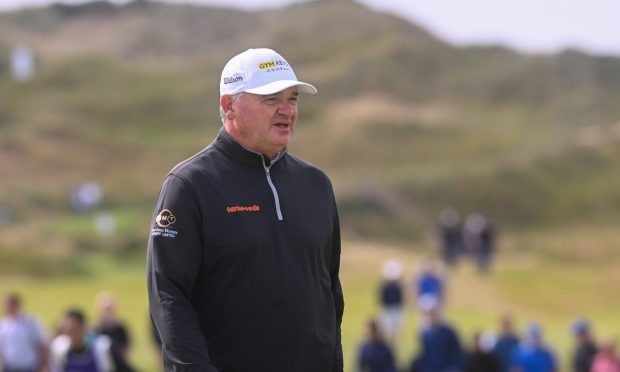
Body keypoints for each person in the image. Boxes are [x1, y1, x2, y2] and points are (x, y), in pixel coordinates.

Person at [147, 47, 344, 371]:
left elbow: (330, 295)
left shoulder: (316, 185)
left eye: (292, 98)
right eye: (271, 99)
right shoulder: (189, 186)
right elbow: (169, 298)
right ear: (229, 106)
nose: (287, 110)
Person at [413, 294, 464, 372]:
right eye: (427, 314)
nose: (430, 316)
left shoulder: (449, 332)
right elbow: (422, 357)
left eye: (433, 313)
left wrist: (452, 367)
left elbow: (458, 355)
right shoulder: (423, 334)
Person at [0, 292, 49, 372]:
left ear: (17, 305)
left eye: (9, 305)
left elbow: (41, 344)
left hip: (28, 366)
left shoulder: (31, 322)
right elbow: (2, 347)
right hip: (9, 367)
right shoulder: (3, 324)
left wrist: (43, 363)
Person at [93, 292, 135, 372]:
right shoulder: (95, 329)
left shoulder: (120, 327)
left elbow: (127, 347)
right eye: (106, 309)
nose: (108, 312)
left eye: (110, 309)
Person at [378, 259, 404, 349]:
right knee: (385, 329)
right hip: (387, 310)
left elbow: (400, 300)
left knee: (395, 331)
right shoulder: (384, 287)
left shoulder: (398, 287)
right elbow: (382, 300)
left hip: (396, 310)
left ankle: (393, 346)